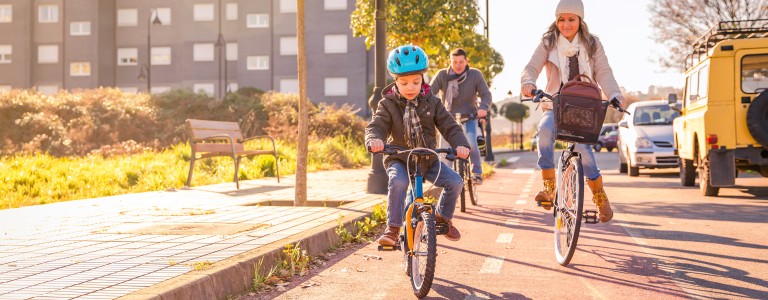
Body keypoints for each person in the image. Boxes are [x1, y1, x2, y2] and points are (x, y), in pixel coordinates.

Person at [520, 0, 625, 223]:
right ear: (556, 20)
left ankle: (599, 196)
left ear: (580, 20)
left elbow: (604, 72)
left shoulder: (592, 43)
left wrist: (614, 94)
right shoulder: (548, 42)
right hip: (556, 103)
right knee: (544, 132)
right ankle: (549, 186)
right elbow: (531, 67)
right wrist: (528, 82)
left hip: (584, 107)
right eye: (561, 19)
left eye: (571, 19)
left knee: (583, 150)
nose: (566, 24)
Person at [366, 45, 471, 245]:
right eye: (404, 83)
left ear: (423, 78)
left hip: (428, 160)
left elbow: (450, 126)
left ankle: (442, 217)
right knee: (398, 182)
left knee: (456, 182)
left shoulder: (433, 102)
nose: (410, 88)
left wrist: (461, 145)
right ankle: (393, 229)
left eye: (416, 82)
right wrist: (374, 140)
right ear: (395, 81)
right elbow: (376, 126)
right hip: (400, 159)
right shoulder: (387, 104)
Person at [430, 48, 492, 185]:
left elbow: (486, 95)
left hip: (469, 117)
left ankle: (476, 173)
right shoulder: (442, 75)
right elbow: (430, 93)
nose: (458, 65)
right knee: (445, 152)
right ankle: (446, 180)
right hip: (447, 119)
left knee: (471, 143)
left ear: (466, 61)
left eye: (461, 62)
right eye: (455, 62)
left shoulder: (475, 75)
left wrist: (483, 108)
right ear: (450, 62)